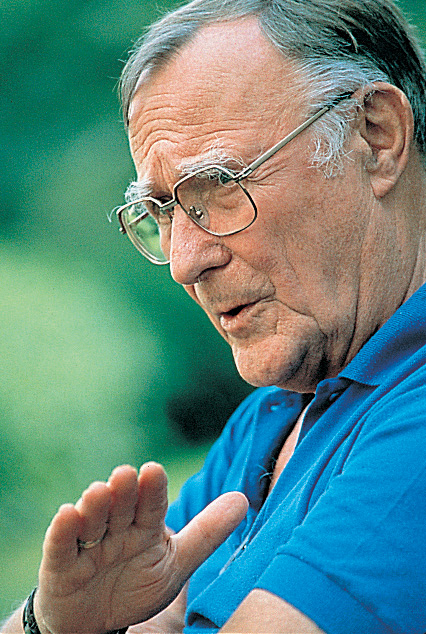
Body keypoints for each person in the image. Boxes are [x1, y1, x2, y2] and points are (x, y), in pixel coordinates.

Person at [4, 0, 426, 632]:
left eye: (220, 185)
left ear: (377, 136)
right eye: (162, 211)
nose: (184, 263)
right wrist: (50, 623)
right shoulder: (275, 416)